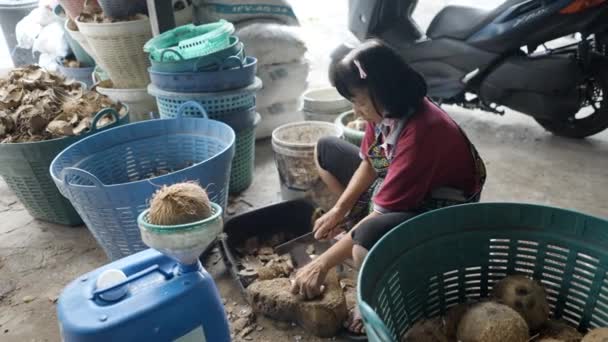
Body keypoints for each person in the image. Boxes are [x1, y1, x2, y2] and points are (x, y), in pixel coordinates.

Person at [290, 40, 487, 334]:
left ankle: (371, 300)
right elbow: (373, 162)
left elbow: (378, 213)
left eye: (358, 101)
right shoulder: (387, 111)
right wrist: (339, 210)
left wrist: (321, 264)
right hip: (403, 181)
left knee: (366, 240)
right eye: (352, 102)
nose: (356, 112)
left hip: (443, 208)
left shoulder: (422, 134)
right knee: (325, 151)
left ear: (383, 92)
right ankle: (356, 227)